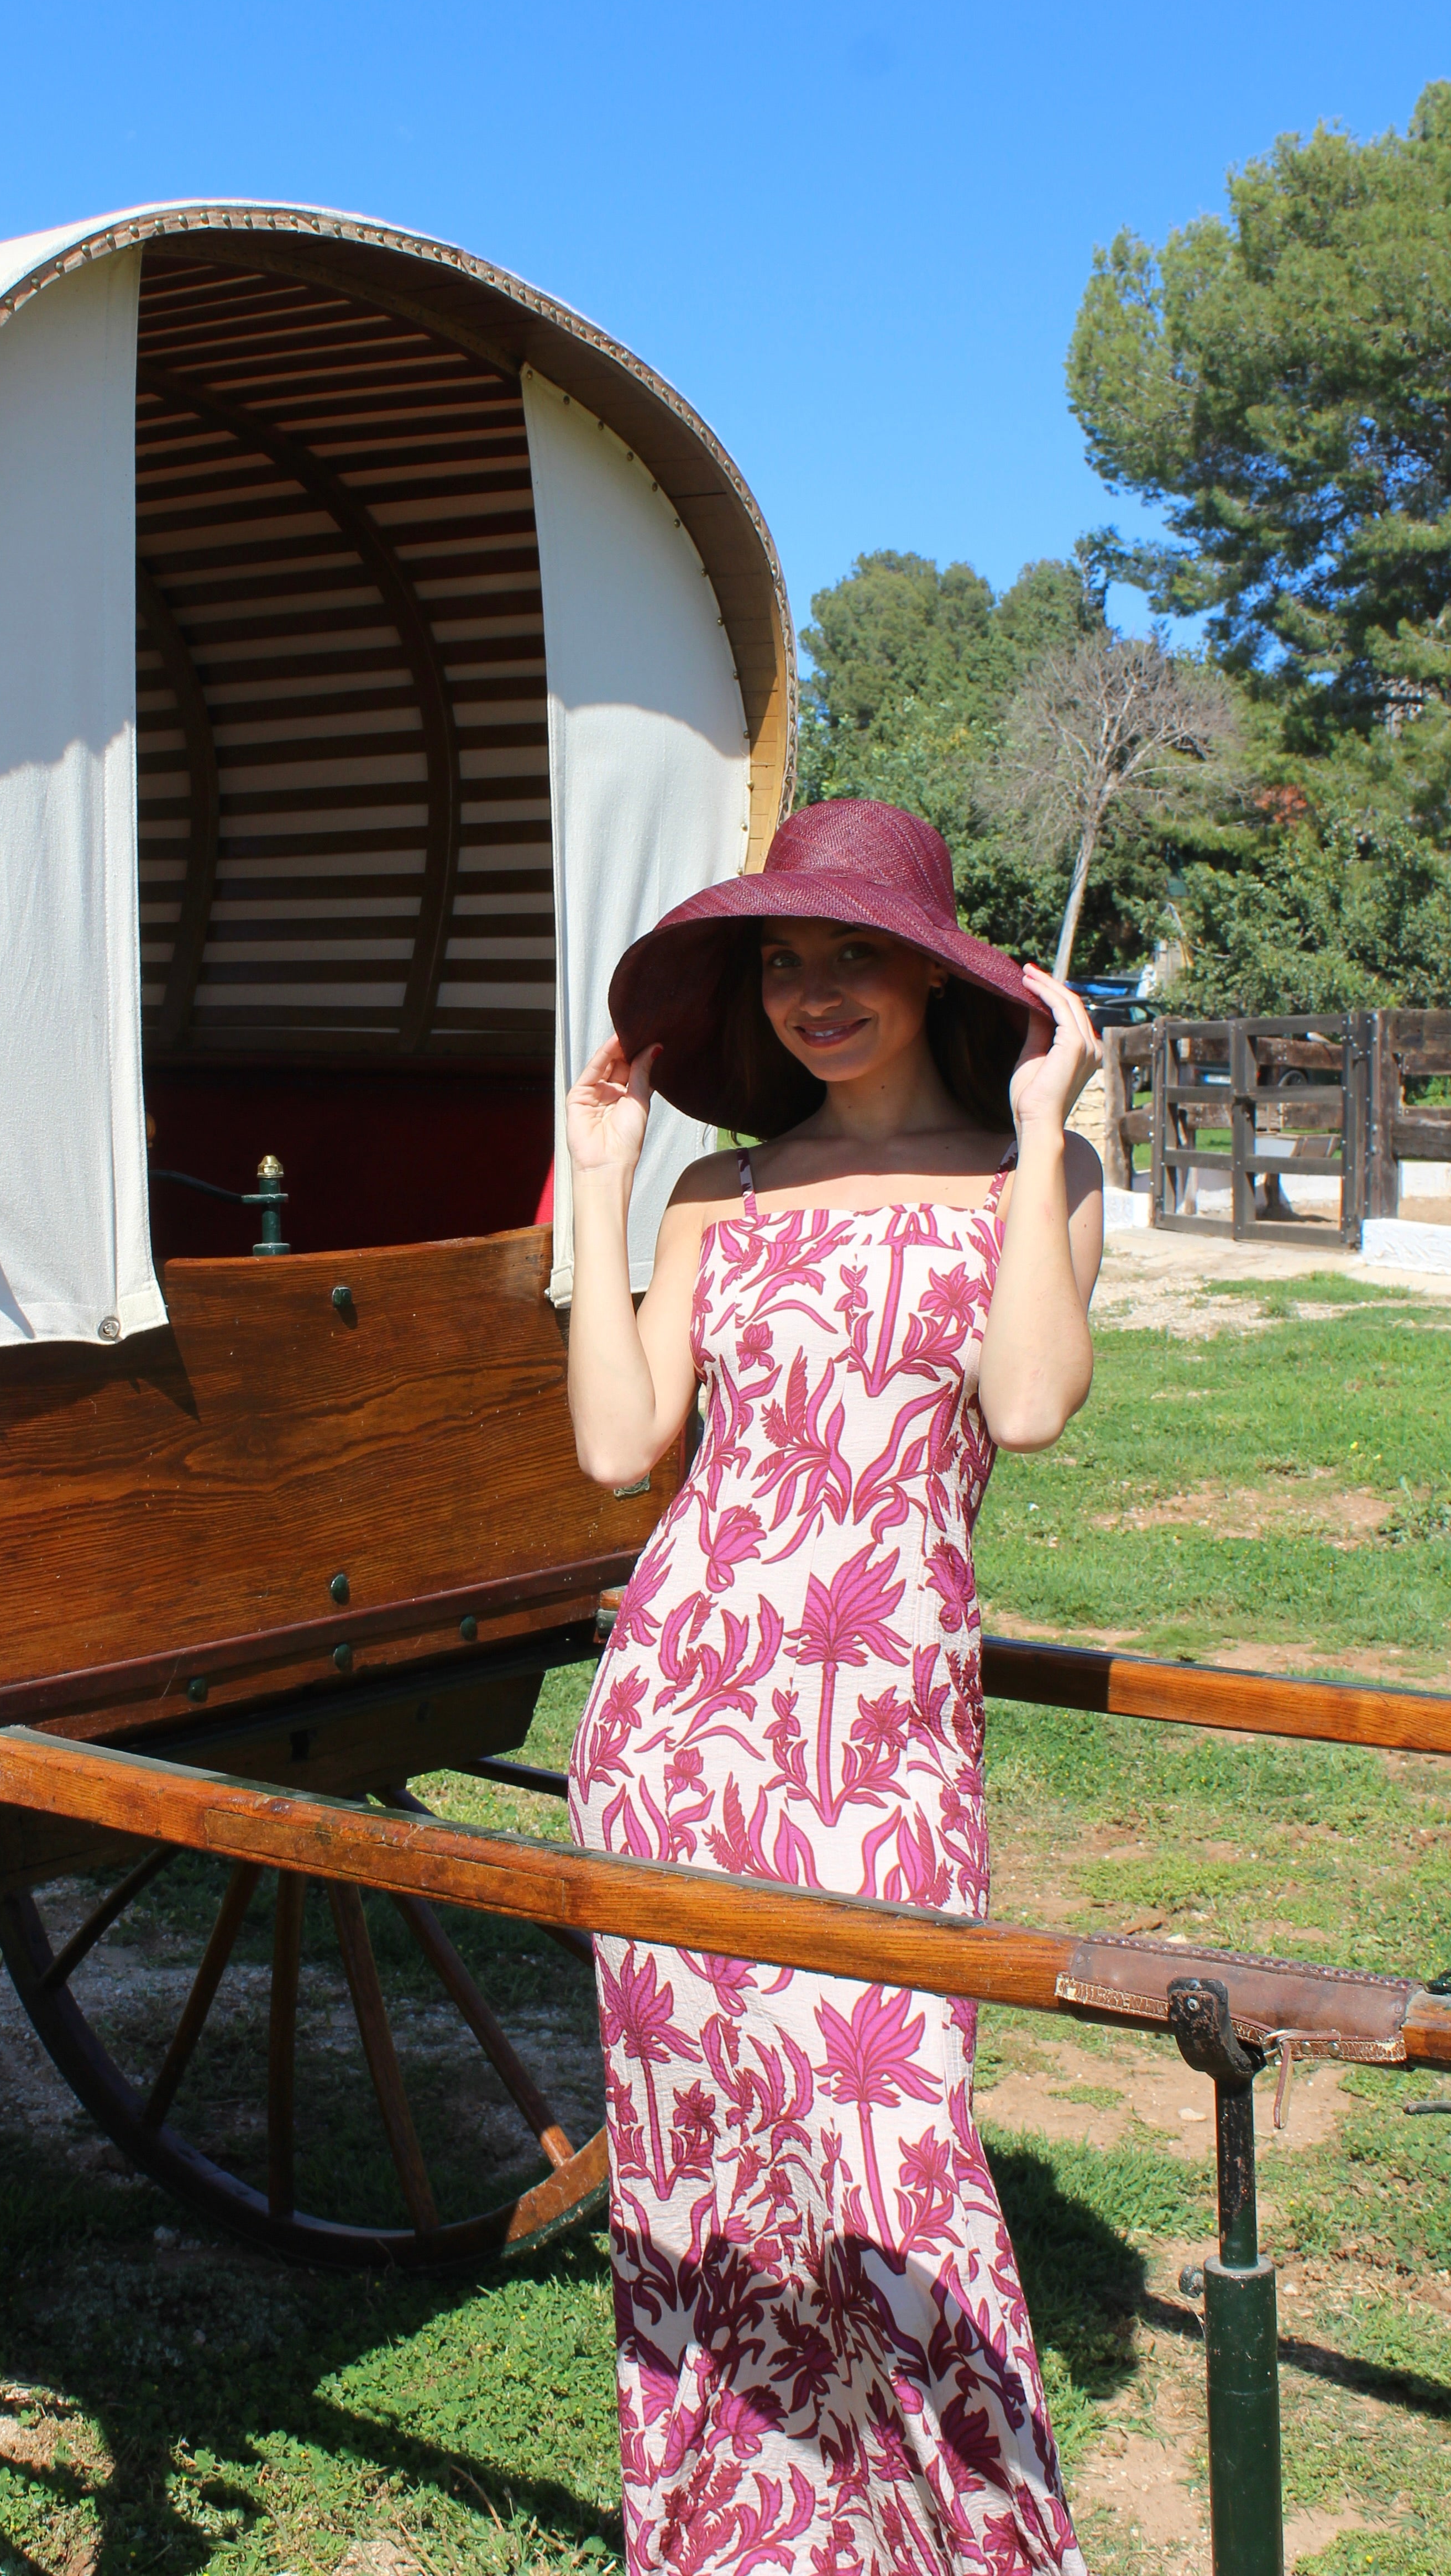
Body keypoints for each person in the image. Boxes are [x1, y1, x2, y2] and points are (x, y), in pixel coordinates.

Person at [563, 797, 1102, 2575]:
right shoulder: (725, 1192)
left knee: (892, 2150)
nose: (813, 994)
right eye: (783, 964)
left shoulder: (1039, 1180)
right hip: (674, 1721)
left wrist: (1040, 1130)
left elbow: (1023, 1410)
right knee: (709, 2165)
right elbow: (619, 1441)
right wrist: (606, 1181)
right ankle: (741, 2538)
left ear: (934, 970)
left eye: (851, 954)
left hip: (878, 1741)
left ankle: (967, 2544)